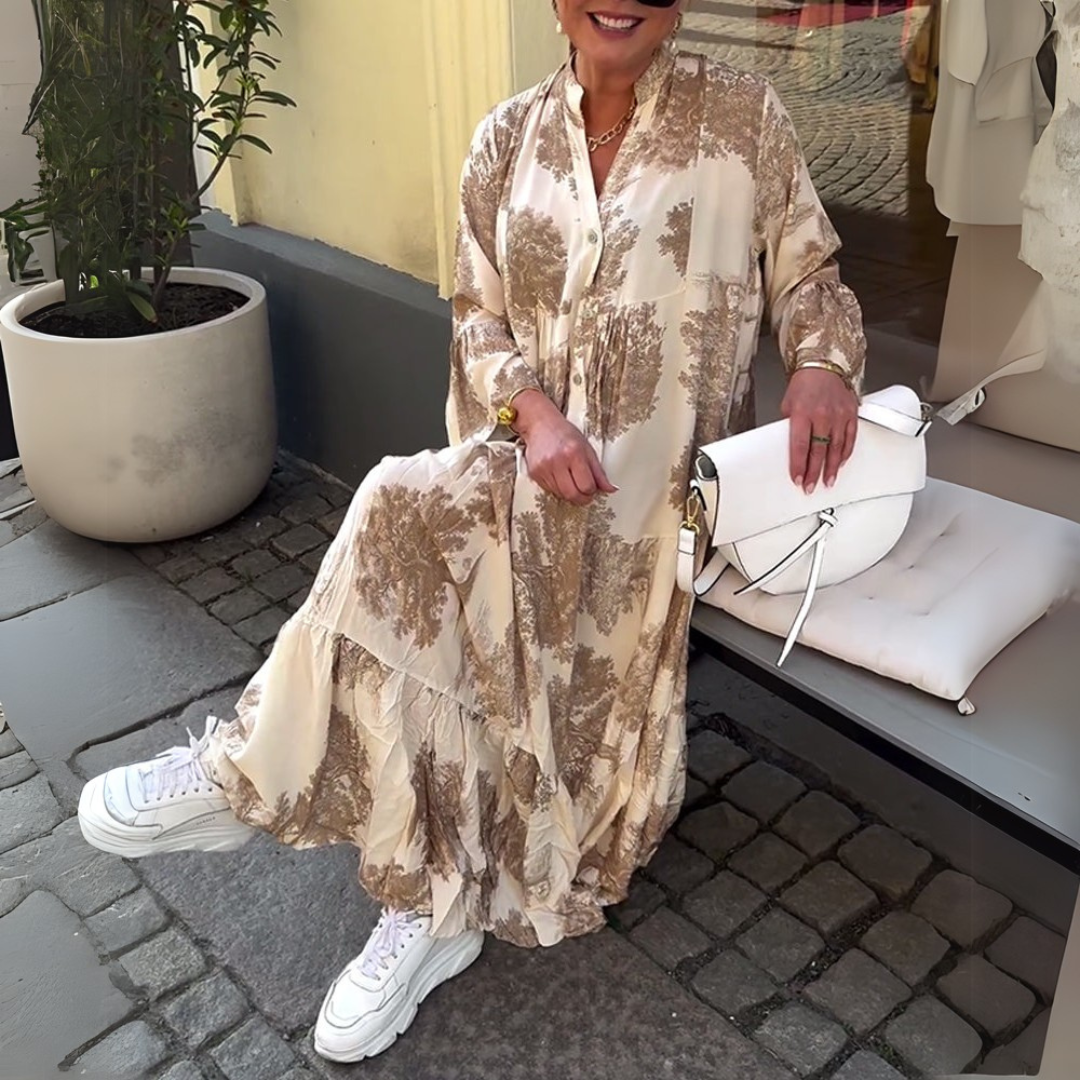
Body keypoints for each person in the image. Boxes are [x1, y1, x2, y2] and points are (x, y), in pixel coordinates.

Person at [78, 0, 865, 1064]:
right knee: (402, 513)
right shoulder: (506, 139)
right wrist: (532, 415)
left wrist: (822, 363)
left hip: (649, 507)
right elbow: (477, 316)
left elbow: (810, 270)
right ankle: (301, 815)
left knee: (442, 597)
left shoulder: (743, 116)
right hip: (525, 463)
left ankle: (390, 880)